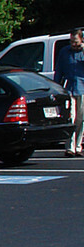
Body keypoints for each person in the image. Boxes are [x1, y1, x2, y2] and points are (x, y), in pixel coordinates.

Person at [58, 28, 84, 156]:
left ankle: (78, 146)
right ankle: (70, 147)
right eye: (71, 41)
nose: (73, 44)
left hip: (82, 89)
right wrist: (57, 87)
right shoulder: (64, 52)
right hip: (69, 88)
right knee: (71, 118)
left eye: (76, 42)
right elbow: (59, 71)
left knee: (81, 119)